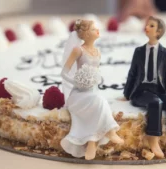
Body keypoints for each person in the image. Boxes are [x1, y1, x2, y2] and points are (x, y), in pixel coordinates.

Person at [119, 16, 166, 160]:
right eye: (147, 25)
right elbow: (132, 73)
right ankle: (153, 140)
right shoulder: (139, 51)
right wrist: (127, 94)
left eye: (151, 26)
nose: (147, 27)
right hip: (141, 91)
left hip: (159, 90)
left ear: (159, 31)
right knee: (155, 102)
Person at [60, 19, 124, 160]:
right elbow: (64, 72)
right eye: (94, 29)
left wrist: (97, 78)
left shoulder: (97, 51)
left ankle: (92, 143)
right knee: (100, 102)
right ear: (86, 33)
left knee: (99, 101)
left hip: (93, 91)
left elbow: (96, 71)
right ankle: (109, 131)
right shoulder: (78, 50)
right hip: (79, 94)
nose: (98, 31)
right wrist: (77, 82)